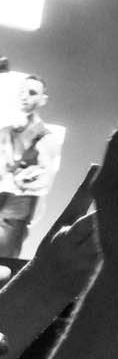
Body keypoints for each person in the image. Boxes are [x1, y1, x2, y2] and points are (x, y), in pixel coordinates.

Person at [0, 73, 63, 261]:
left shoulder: (46, 137)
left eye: (32, 92)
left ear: (43, 99)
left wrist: (19, 181)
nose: (24, 96)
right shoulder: (5, 132)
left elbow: (45, 182)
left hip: (13, 216)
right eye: (22, 92)